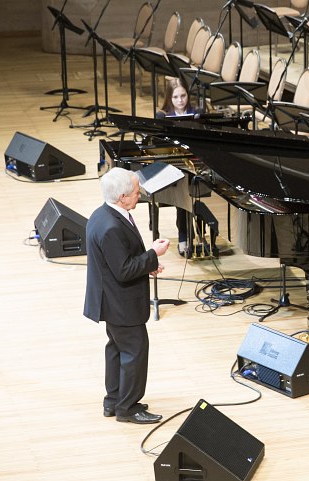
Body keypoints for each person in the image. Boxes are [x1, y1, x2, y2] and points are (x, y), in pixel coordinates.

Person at [84, 167, 169, 424]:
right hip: (122, 304)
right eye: (135, 192)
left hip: (111, 301)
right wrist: (153, 254)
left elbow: (118, 261)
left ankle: (113, 401)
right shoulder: (111, 226)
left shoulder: (101, 215)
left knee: (117, 350)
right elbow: (123, 270)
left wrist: (146, 265)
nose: (139, 195)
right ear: (122, 197)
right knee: (134, 352)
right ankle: (128, 408)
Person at [155, 78, 200, 256]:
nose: (180, 100)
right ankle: (185, 236)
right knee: (183, 192)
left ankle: (194, 233)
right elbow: (158, 146)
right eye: (176, 97)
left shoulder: (196, 114)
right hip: (171, 165)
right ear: (169, 98)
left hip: (193, 162)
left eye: (183, 95)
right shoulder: (162, 116)